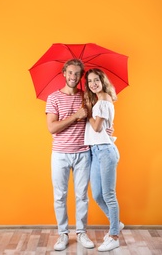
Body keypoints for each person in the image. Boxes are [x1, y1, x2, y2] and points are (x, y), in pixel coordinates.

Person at [45, 59, 95, 251]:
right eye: (70, 73)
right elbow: (52, 128)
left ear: (81, 76)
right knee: (60, 196)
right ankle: (63, 234)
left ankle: (81, 232)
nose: (73, 77)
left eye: (77, 74)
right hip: (60, 154)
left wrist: (89, 110)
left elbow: (95, 123)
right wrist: (76, 116)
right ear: (64, 73)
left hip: (83, 153)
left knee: (82, 196)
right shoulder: (53, 98)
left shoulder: (86, 97)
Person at [84, 68, 124, 252]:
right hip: (96, 151)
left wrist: (87, 114)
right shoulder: (99, 101)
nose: (93, 84)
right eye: (90, 81)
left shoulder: (103, 100)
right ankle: (116, 224)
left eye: (96, 80)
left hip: (106, 152)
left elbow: (98, 128)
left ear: (102, 81)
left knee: (108, 195)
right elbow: (103, 128)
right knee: (97, 195)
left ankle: (114, 236)